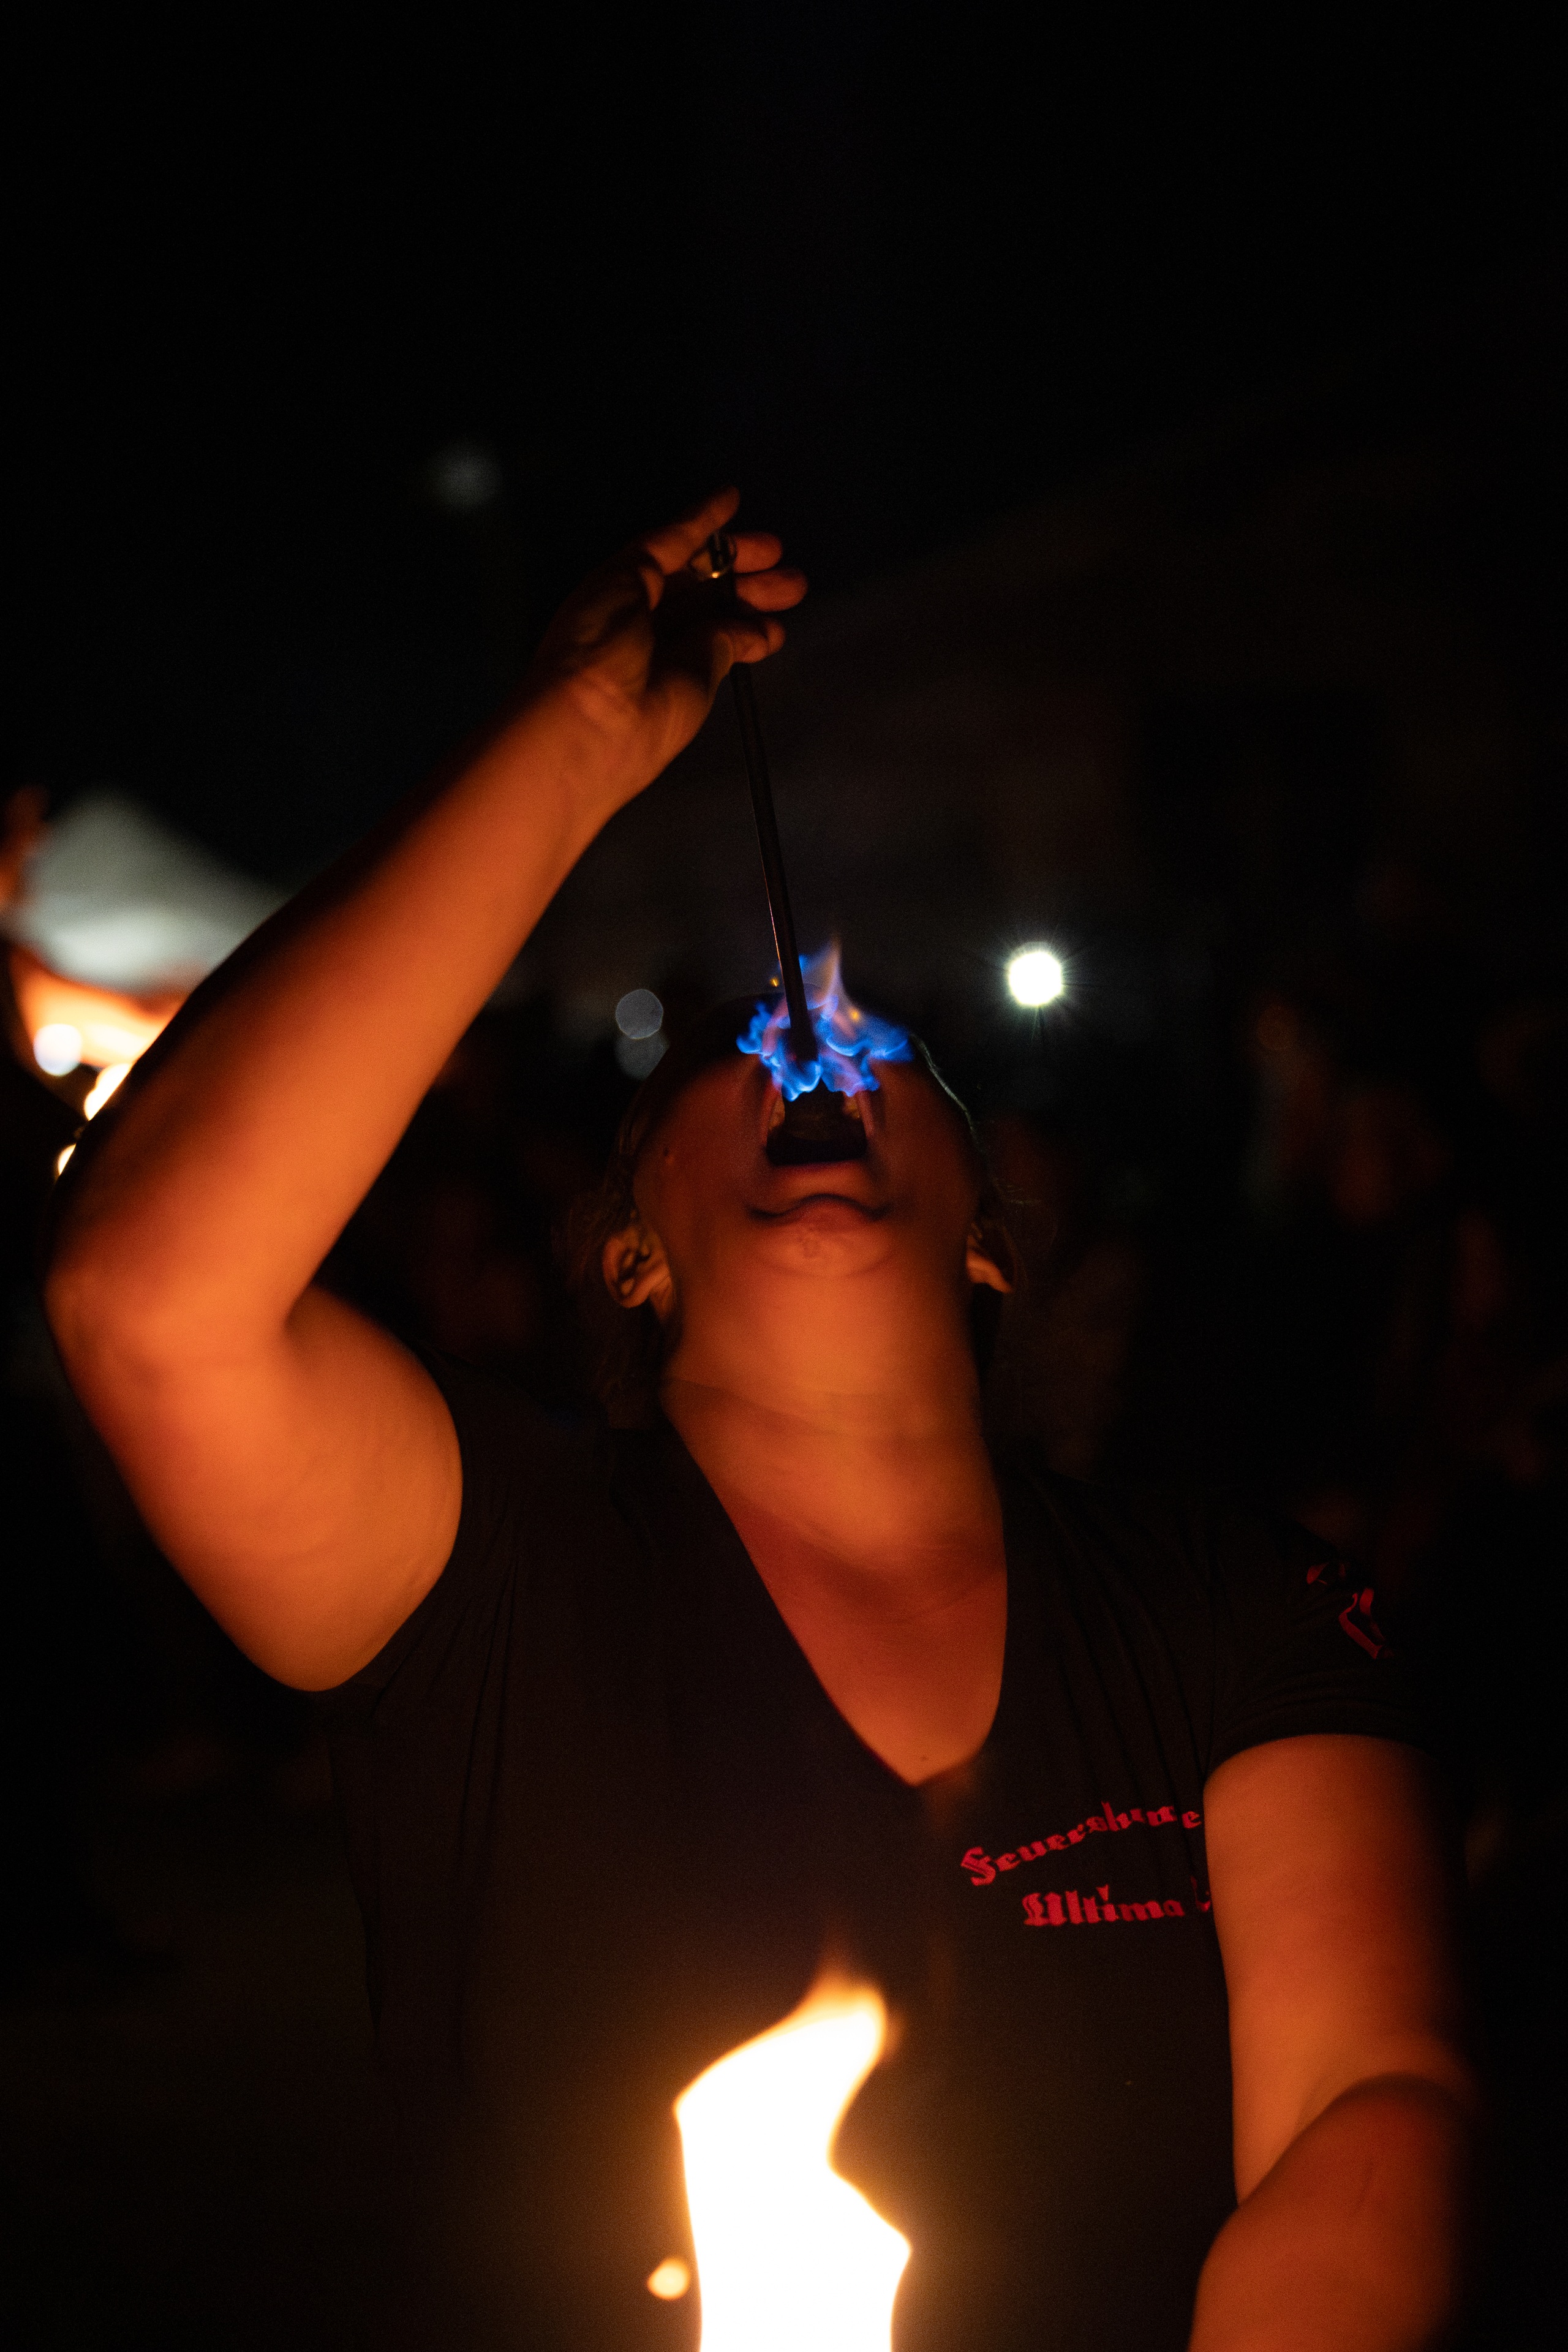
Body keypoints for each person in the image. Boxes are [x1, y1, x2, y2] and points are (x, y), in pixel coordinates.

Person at [46, 492, 1476, 2351]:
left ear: (991, 1237)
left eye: (897, 1056)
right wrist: (574, 744)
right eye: (739, 1056)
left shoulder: (1229, 1600)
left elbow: (1368, 2096)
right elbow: (147, 1297)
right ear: (631, 1250)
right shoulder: (494, 1571)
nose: (815, 1046)